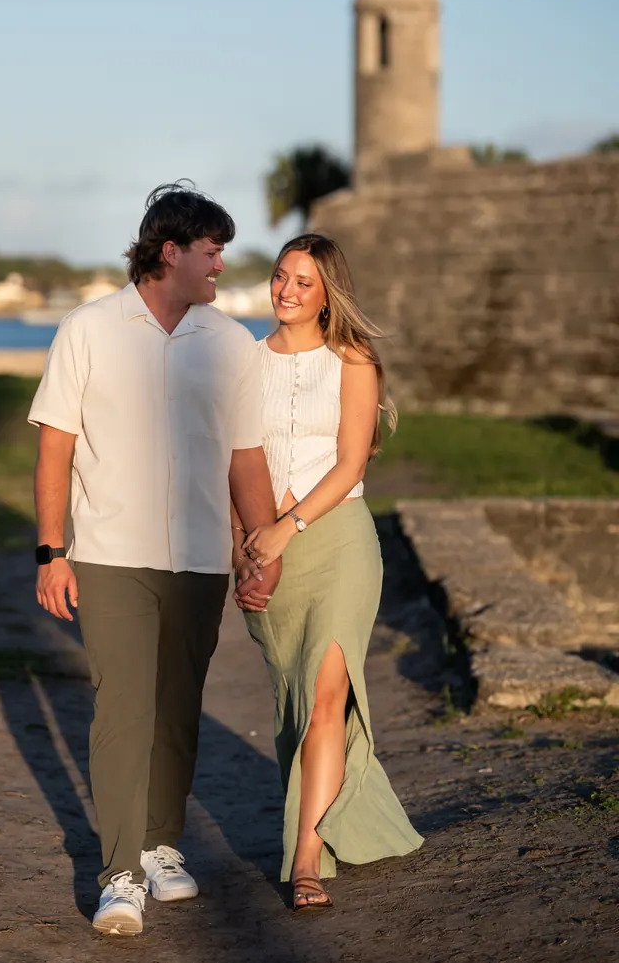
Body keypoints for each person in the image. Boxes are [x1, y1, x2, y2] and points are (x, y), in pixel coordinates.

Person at [27, 182, 278, 937]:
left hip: (201, 557)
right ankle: (120, 876)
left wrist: (257, 549)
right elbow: (55, 446)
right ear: (170, 251)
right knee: (123, 708)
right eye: (212, 252)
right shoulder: (89, 328)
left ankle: (161, 844)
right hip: (108, 554)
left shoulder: (231, 343)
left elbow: (247, 458)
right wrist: (51, 552)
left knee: (176, 712)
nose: (221, 267)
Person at [233, 232, 423, 911]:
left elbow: (351, 463)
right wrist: (246, 552)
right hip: (266, 550)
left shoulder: (354, 357)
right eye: (281, 276)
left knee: (323, 695)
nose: (286, 289)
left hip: (338, 540)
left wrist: (287, 527)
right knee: (293, 704)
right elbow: (236, 465)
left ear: (328, 292)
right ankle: (343, 813)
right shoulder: (244, 363)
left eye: (303, 281)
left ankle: (307, 859)